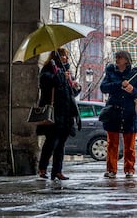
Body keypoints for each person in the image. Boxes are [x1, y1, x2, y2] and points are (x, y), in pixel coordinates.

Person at [37, 48, 81, 180]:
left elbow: (71, 94)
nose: (65, 58)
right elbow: (47, 83)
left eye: (66, 56)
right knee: (51, 143)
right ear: (56, 57)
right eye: (62, 56)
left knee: (61, 144)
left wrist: (75, 87)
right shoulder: (48, 70)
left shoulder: (66, 71)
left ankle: (57, 170)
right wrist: (62, 76)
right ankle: (42, 168)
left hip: (66, 113)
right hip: (55, 112)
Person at [100, 51, 137, 179]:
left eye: (119, 57)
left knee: (129, 145)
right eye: (116, 57)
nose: (117, 59)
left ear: (126, 60)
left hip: (129, 113)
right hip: (113, 112)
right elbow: (104, 87)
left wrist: (132, 90)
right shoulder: (110, 72)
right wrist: (119, 84)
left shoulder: (135, 74)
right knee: (112, 144)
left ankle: (129, 169)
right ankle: (111, 169)